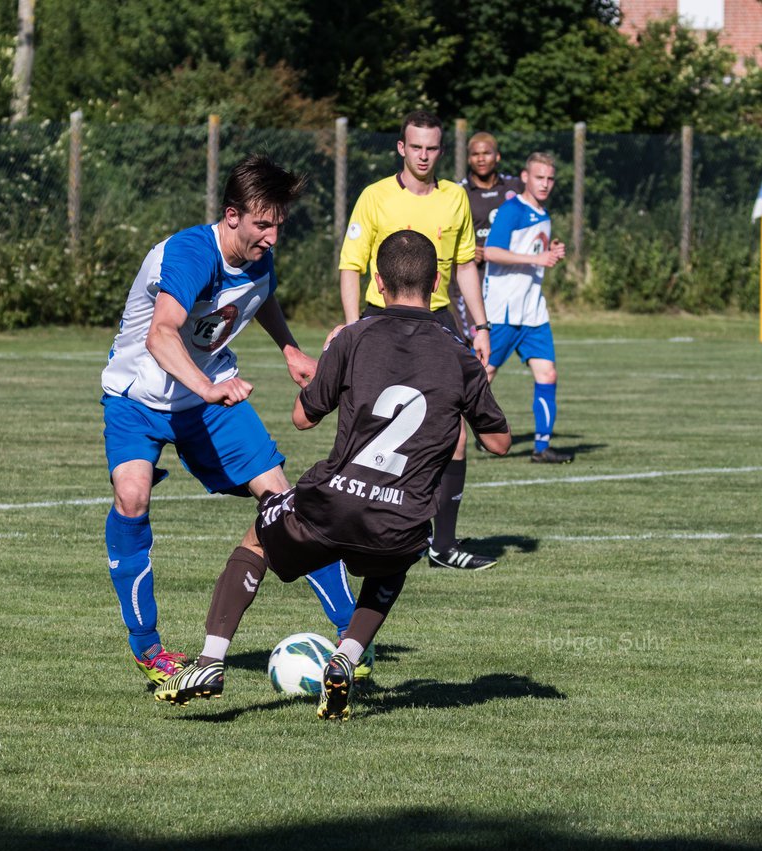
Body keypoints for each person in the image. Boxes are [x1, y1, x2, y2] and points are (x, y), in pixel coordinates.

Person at [155, 230, 511, 720]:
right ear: (435, 285)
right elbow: (497, 442)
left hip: (333, 502)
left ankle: (211, 662)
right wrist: (471, 390)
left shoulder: (354, 336)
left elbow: (302, 418)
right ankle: (345, 657)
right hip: (400, 518)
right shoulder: (459, 355)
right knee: (398, 557)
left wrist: (329, 363)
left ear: (379, 284)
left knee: (258, 537)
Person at [100, 154, 358, 689]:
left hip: (207, 398)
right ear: (231, 215)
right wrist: (210, 388)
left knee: (282, 500)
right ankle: (149, 649)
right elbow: (161, 333)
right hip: (138, 395)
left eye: (278, 226)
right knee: (132, 496)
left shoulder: (258, 256)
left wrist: (289, 349)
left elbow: (259, 296)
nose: (272, 238)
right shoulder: (193, 253)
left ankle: (351, 632)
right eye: (263, 225)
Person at [338, 110, 498, 571]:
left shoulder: (455, 199)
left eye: (432, 148)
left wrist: (480, 327)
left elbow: (465, 264)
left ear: (440, 150)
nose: (424, 155)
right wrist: (353, 329)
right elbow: (352, 263)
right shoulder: (375, 197)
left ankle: (442, 546)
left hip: (438, 322)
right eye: (416, 147)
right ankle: (351, 532)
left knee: (456, 434)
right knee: (363, 425)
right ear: (401, 148)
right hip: (380, 319)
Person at [480, 152, 573, 464]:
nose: (545, 184)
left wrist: (550, 251)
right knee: (483, 376)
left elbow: (533, 249)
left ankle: (542, 447)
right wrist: (537, 258)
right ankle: (470, 434)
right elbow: (491, 251)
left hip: (532, 311)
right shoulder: (512, 210)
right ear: (525, 177)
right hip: (503, 311)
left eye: (549, 179)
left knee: (547, 373)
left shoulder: (541, 212)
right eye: (539, 178)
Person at [455, 132, 523, 343]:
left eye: (487, 153)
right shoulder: (459, 192)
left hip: (506, 276)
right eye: (475, 154)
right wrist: (464, 251)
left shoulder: (516, 187)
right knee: (471, 342)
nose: (481, 159)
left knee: (501, 342)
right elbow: (445, 233)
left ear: (498, 156)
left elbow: (534, 218)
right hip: (472, 274)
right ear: (469, 158)